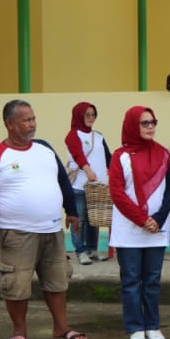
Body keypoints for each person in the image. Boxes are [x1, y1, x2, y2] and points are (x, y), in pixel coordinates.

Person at [0, 100, 87, 339]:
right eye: (26, 120)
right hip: (16, 232)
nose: (32, 124)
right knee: (16, 283)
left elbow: (62, 180)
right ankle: (19, 331)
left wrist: (71, 210)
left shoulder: (45, 148)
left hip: (52, 230)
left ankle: (61, 328)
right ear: (9, 124)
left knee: (58, 280)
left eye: (33, 118)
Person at [108, 105, 170, 339]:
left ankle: (153, 327)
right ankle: (136, 329)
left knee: (152, 281)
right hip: (129, 231)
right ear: (131, 126)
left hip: (156, 229)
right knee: (131, 281)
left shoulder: (164, 154)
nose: (150, 127)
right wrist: (141, 219)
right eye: (144, 123)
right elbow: (117, 193)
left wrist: (157, 219)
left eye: (153, 122)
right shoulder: (120, 157)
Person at [64, 101, 109, 265]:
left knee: (94, 220)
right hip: (79, 185)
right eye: (87, 115)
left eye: (93, 115)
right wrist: (88, 170)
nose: (91, 118)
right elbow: (78, 154)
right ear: (79, 116)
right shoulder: (73, 135)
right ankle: (80, 251)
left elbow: (108, 157)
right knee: (80, 219)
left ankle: (92, 250)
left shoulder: (98, 136)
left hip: (97, 186)